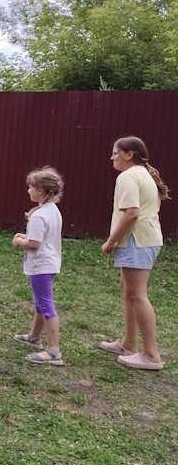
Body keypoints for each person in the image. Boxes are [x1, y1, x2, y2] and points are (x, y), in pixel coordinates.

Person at [99, 136, 168, 371]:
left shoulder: (128, 176)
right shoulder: (141, 174)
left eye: (116, 153)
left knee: (137, 295)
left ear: (129, 154)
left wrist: (111, 241)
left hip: (136, 241)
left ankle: (151, 355)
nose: (112, 157)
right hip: (143, 240)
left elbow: (131, 213)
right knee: (129, 292)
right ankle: (128, 344)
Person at [12, 167, 65, 366]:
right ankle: (34, 336)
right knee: (40, 303)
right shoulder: (52, 211)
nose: (28, 191)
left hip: (41, 265)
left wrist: (19, 241)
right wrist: (27, 237)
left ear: (42, 191)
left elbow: (34, 244)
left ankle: (53, 351)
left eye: (31, 187)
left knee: (46, 305)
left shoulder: (38, 216)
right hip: (50, 263)